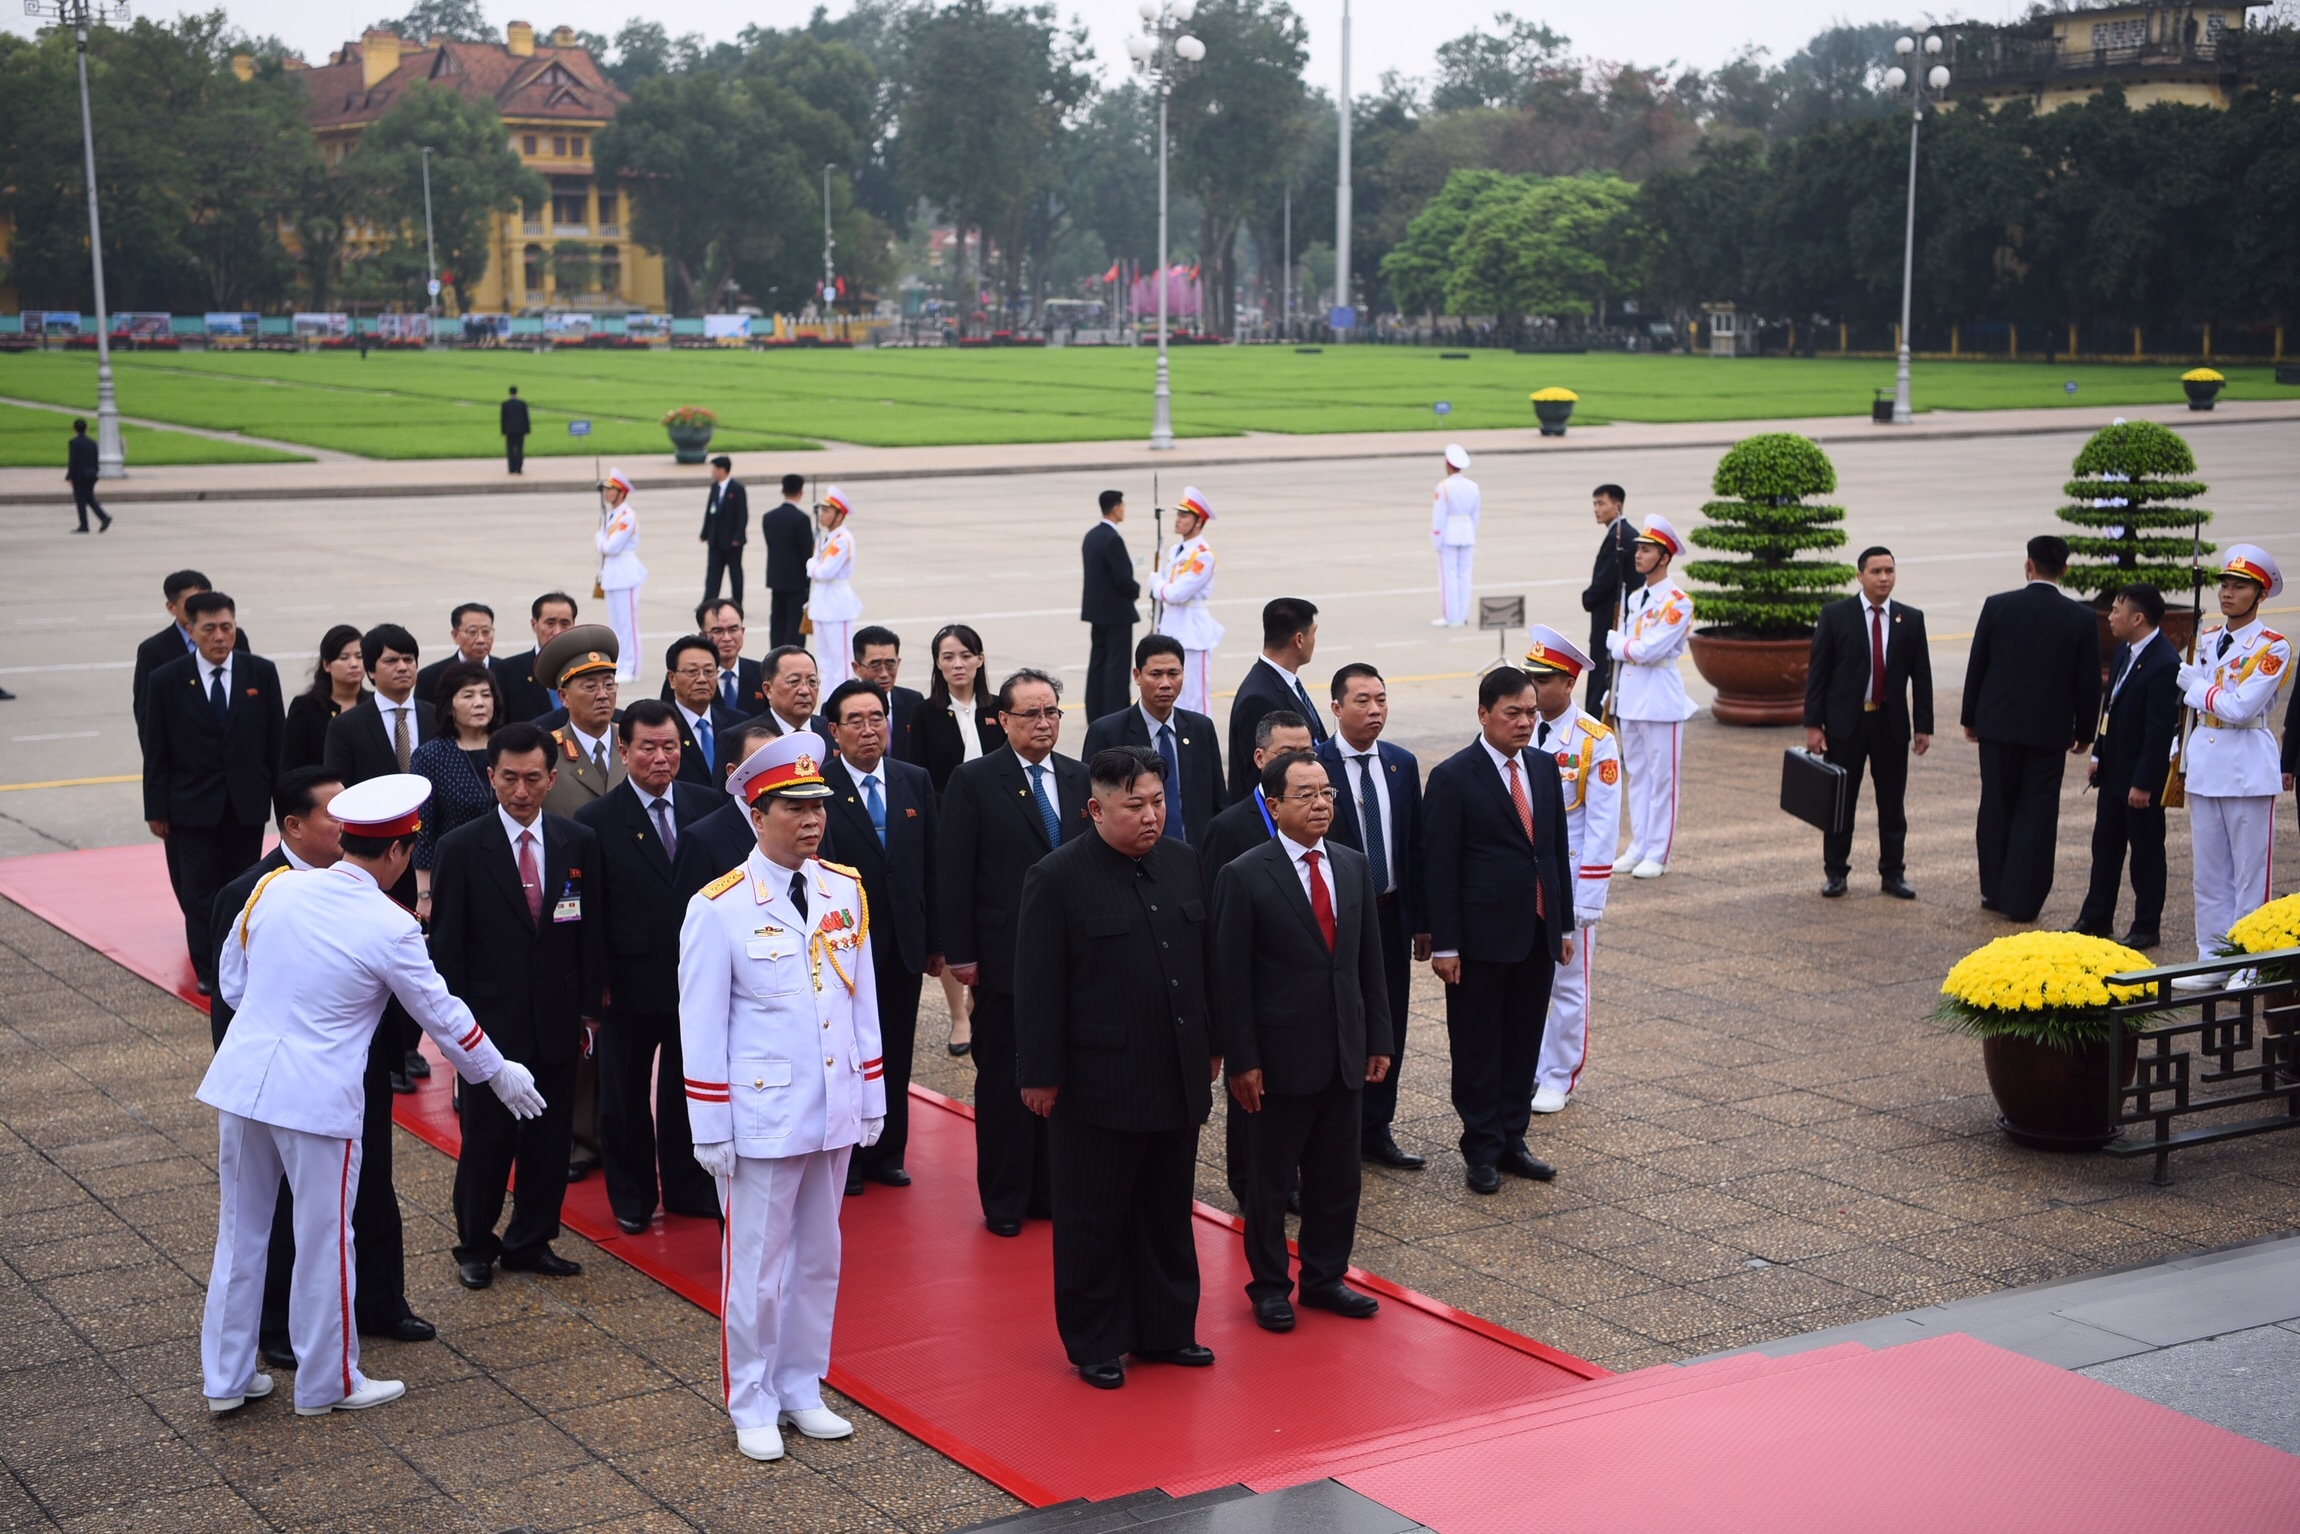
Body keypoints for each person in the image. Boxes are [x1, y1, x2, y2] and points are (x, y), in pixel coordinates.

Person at [199, 773, 542, 1418]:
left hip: (244, 1083)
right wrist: (498, 1072)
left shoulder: (275, 888)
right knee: (325, 1240)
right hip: (315, 1100)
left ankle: (226, 1379)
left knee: (240, 1234)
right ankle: (327, 1383)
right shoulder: (391, 924)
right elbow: (442, 1014)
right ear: (399, 852)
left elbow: (232, 981)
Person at [680, 732, 884, 1461]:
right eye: (795, 808)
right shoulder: (720, 907)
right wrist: (710, 1123)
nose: (812, 820)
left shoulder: (843, 889)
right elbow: (700, 1023)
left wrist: (871, 1092)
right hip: (761, 1115)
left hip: (831, 1104)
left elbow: (861, 1000)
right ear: (756, 814)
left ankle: (800, 1385)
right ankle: (752, 1398)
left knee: (819, 1260)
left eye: (817, 806)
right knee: (756, 1270)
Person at [209, 769, 431, 1365]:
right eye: (334, 814)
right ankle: (282, 1333)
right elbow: (231, 1002)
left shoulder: (372, 876)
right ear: (293, 825)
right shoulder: (253, 891)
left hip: (356, 1073)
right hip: (283, 1083)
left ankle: (381, 1303)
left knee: (372, 1190)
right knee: (285, 1217)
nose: (348, 824)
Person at [1015, 747, 1217, 1389]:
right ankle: (1095, 1339)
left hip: (1175, 1071)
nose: (1151, 816)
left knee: (1166, 1211)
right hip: (1097, 1083)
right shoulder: (1057, 877)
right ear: (1095, 809)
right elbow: (1038, 985)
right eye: (1134, 805)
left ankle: (1167, 1330)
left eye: (1157, 801)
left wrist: (1213, 1044)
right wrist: (1039, 1073)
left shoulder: (1183, 862)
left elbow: (1205, 962)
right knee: (1092, 1218)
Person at [1215, 750, 1391, 1335]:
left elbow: (1368, 964)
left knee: (1337, 1177)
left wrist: (1378, 1039)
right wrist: (1242, 1060)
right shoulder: (1244, 874)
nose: (1320, 804)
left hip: (1342, 1052)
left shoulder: (1352, 865)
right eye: (1306, 794)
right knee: (1269, 1184)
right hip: (1277, 1060)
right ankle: (1269, 1286)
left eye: (1326, 793)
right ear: (1273, 805)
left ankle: (1324, 1276)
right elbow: (1232, 980)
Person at [430, 722, 605, 1288]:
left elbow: (589, 933)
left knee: (549, 1142)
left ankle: (531, 1239)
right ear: (491, 776)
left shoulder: (577, 842)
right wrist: (456, 1033)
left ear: (552, 778)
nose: (521, 790)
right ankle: (475, 1244)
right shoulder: (461, 848)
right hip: (489, 1025)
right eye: (509, 778)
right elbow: (448, 950)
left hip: (556, 1018)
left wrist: (588, 1011)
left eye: (533, 778)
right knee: (487, 1142)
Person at [937, 669, 1090, 1236]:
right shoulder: (974, 780)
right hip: (1004, 958)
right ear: (1003, 720)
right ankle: (1005, 1199)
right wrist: (961, 953)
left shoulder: (1078, 777)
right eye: (1031, 714)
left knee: (1061, 1078)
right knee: (1005, 1080)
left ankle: (1051, 1191)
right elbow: (954, 871)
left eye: (1051, 712)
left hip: (1071, 958)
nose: (1044, 723)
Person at [573, 699, 727, 1232]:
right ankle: (633, 1197)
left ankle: (688, 1188)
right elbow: (590, 911)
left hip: (696, 979)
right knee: (624, 1096)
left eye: (670, 747)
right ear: (624, 750)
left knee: (689, 1090)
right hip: (628, 981)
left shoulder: (707, 804)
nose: (661, 758)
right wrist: (597, 983)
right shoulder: (595, 821)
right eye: (648, 748)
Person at [1424, 666, 1574, 1195]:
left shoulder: (1543, 767)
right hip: (1480, 939)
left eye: (1531, 712)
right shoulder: (1453, 776)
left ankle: (1513, 1139)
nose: (1526, 722)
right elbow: (1439, 866)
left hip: (1535, 930)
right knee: (1477, 1047)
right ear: (1484, 714)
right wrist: (1445, 943)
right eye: (1513, 713)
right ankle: (1482, 1147)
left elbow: (1553, 852)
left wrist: (1562, 924)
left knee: (1522, 1041)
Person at [819, 679, 940, 1194]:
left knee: (895, 1050)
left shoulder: (914, 779)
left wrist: (936, 941)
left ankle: (888, 1152)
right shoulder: (819, 786)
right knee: (846, 1054)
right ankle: (847, 1158)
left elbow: (931, 863)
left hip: (903, 944)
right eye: (856, 721)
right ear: (834, 731)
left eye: (877, 718)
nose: (869, 730)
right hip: (843, 949)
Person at [142, 590, 284, 996]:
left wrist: (284, 803)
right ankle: (208, 966)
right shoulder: (166, 680)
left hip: (245, 803)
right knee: (199, 890)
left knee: (244, 888)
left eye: (226, 627)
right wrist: (156, 807)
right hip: (190, 805)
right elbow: (156, 748)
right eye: (209, 629)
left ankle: (243, 959)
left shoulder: (261, 673)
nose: (219, 636)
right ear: (190, 631)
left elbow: (276, 742)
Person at [1317, 663, 1429, 1165]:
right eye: (1362, 700)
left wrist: (1422, 921)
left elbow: (1415, 847)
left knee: (1389, 1021)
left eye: (1381, 699)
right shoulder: (1316, 766)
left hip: (1390, 915)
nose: (1375, 710)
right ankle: (1337, 1128)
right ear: (1336, 708)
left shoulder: (1401, 764)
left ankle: (1378, 1127)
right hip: (1338, 920)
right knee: (1341, 1020)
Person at [1961, 535, 2101, 923]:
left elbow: (1978, 664)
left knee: (1996, 804)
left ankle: (1993, 888)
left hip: (1998, 725)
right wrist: (2085, 730)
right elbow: (2088, 681)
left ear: (2028, 565)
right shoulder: (2080, 617)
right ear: (2064, 570)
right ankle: (2022, 900)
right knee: (2037, 811)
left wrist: (1971, 717)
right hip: (2049, 730)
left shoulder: (1998, 605)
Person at [2173, 547, 2290, 986]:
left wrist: (2196, 687)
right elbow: (2193, 710)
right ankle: (2212, 960)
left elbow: (2241, 707)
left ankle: (2249, 962)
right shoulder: (2204, 638)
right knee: (2209, 875)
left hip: (2246, 767)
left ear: (2260, 594)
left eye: (2239, 587)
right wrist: (2179, 750)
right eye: (2224, 584)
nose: (2227, 593)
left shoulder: (2273, 646)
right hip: (2205, 764)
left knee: (2249, 876)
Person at [1519, 629, 1620, 1115]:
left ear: (1568, 683)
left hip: (1569, 877)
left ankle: (1559, 1074)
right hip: (1521, 877)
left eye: (1541, 681)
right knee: (1524, 978)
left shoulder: (1594, 741)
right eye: (1530, 679)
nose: (1532, 689)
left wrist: (1588, 899)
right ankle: (1531, 1066)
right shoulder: (1518, 727)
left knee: (1568, 982)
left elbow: (1602, 825)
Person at [1804, 547, 1934, 900]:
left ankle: (1893, 873)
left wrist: (1923, 726)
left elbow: (1922, 677)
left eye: (1889, 571)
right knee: (1840, 803)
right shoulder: (1836, 615)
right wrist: (1814, 724)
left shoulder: (1910, 619)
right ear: (1860, 576)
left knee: (1892, 804)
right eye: (1876, 571)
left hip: (1890, 725)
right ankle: (1835, 872)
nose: (1884, 578)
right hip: (1846, 725)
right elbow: (1818, 674)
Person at [2075, 583, 2180, 950]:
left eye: (2117, 610)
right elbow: (2111, 707)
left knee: (2146, 854)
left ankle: (2146, 926)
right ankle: (2096, 917)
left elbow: (2159, 731)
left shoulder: (2165, 663)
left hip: (2140, 779)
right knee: (2105, 847)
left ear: (2138, 618)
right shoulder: (2124, 650)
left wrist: (2145, 782)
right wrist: (2098, 754)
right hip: (2113, 771)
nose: (2110, 617)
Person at [1606, 515, 1697, 880]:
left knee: (1663, 781)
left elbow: (1649, 650)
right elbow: (1639, 649)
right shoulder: (1635, 597)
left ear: (1665, 557)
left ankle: (1659, 852)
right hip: (1631, 696)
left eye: (1646, 550)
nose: (1638, 555)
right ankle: (1638, 846)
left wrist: (1618, 645)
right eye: (1639, 549)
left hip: (1660, 699)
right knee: (1638, 776)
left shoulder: (1678, 602)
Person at [1082, 634, 1225, 848]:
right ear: (1137, 675)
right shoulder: (1107, 733)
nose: (1165, 684)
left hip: (1195, 855)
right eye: (1156, 674)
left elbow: (1218, 802)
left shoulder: (1200, 728)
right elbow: (1091, 807)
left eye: (1173, 674)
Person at [409, 661, 507, 925]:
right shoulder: (430, 756)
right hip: (456, 873)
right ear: (449, 706)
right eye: (468, 695)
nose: (479, 703)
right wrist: (424, 892)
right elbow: (422, 828)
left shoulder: (509, 747)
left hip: (511, 869)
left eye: (486, 695)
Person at [1227, 598, 1328, 799]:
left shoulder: (1282, 683)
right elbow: (1260, 778)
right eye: (1313, 633)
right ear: (1299, 639)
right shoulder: (1259, 698)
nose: (1314, 641)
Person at [133, 569, 249, 733]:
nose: (200, 608)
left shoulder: (235, 637)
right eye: (192, 602)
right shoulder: (153, 650)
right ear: (171, 607)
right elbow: (147, 714)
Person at [1204, 712, 1314, 882]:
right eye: (1286, 754)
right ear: (1259, 758)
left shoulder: (1326, 817)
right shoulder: (1227, 829)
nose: (1298, 763)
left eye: (1306, 754)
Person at [535, 624, 627, 818]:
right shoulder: (546, 755)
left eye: (609, 684)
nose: (603, 695)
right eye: (590, 687)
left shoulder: (633, 743)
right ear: (563, 697)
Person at [326, 623, 433, 786]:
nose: (402, 667)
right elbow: (339, 787)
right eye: (391, 661)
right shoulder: (345, 726)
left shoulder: (437, 716)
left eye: (408, 659)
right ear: (370, 670)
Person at [1152, 488, 1224, 716]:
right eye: (1178, 514)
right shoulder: (1176, 550)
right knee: (1177, 695)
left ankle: (1203, 736)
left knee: (1196, 696)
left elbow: (1176, 594)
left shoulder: (1203, 555)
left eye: (1184, 516)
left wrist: (1156, 584)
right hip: (1172, 626)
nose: (1178, 520)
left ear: (1198, 522)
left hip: (1192, 631)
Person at [907, 623, 999, 798]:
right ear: (938, 662)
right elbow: (918, 774)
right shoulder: (924, 713)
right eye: (948, 657)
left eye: (966, 656)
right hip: (945, 809)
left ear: (980, 659)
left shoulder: (999, 707)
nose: (958, 665)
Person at [1081, 489, 1140, 721]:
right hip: (1116, 613)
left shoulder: (1091, 536)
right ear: (1115, 508)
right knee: (1117, 666)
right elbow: (1122, 578)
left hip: (1096, 612)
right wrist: (1135, 590)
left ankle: (1095, 710)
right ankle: (1115, 712)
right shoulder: (1113, 539)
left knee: (1098, 662)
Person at [665, 634, 748, 789]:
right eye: (692, 671)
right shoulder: (662, 728)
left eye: (709, 671)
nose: (702, 679)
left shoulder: (739, 724)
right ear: (672, 678)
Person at [1580, 484, 1633, 716]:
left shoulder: (1619, 537)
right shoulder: (1621, 533)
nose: (1596, 509)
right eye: (1594, 503)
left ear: (1617, 505)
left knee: (1601, 680)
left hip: (1609, 621)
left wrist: (1587, 598)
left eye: (1601, 503)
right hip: (1613, 619)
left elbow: (1604, 582)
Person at [283, 625, 366, 774]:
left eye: (359, 657)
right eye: (344, 658)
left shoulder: (374, 703)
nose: (354, 664)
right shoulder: (305, 707)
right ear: (327, 665)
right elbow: (291, 769)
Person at [805, 486, 862, 691]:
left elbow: (825, 571)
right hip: (822, 602)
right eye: (822, 510)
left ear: (839, 515)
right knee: (824, 660)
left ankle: (843, 697)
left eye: (827, 511)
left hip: (836, 604)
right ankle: (828, 699)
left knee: (841, 659)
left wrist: (811, 564)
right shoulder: (828, 537)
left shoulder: (842, 540)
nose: (822, 514)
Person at [494, 592, 579, 723]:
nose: (557, 631)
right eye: (550, 623)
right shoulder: (508, 671)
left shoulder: (585, 668)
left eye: (564, 623)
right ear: (534, 624)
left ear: (573, 626)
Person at [597, 470, 648, 682]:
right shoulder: (610, 515)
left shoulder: (627, 515)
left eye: (611, 489)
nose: (606, 493)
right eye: (606, 489)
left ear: (621, 493)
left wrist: (600, 541)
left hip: (625, 572)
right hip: (612, 573)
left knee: (628, 624)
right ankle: (620, 663)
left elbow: (611, 546)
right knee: (616, 624)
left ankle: (632, 667)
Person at [853, 625, 923, 764]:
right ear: (856, 668)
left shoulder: (913, 702)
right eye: (875, 666)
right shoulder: (839, 708)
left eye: (890, 664)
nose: (884, 674)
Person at [762, 472, 814, 649]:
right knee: (794, 623)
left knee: (777, 619)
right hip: (796, 580)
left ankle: (775, 653)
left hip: (776, 578)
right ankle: (793, 654)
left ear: (782, 490)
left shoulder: (769, 517)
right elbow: (806, 553)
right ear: (801, 492)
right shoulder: (801, 519)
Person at [1430, 444, 1479, 628]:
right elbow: (1475, 515)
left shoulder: (1443, 487)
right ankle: (1462, 615)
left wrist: (1436, 539)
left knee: (1448, 576)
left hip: (1449, 534)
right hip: (1467, 533)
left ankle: (1450, 617)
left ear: (1448, 464)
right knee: (1465, 576)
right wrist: (1471, 533)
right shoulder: (1473, 486)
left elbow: (1439, 516)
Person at [693, 598, 767, 716]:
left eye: (733, 629)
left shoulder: (763, 674)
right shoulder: (687, 677)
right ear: (702, 636)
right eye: (718, 631)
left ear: (742, 631)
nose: (727, 638)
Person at [415, 603, 496, 709]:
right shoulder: (431, 677)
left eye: (486, 632)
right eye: (472, 632)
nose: (480, 640)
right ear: (455, 635)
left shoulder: (506, 672)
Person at [700, 455, 750, 606]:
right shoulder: (714, 487)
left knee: (735, 573)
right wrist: (705, 532)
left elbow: (742, 514)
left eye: (715, 468)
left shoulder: (737, 489)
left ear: (723, 470)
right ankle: (708, 602)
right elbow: (709, 511)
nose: (712, 471)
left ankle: (737, 603)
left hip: (732, 541)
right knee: (713, 573)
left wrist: (738, 536)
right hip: (715, 539)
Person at [66, 417, 111, 533]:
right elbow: (95, 459)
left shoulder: (73, 443)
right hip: (91, 474)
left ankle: (85, 525)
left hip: (79, 476)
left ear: (74, 429)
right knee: (89, 498)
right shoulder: (92, 443)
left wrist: (70, 476)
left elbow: (73, 461)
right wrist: (96, 472)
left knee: (81, 500)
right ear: (86, 428)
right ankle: (103, 518)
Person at [500, 386, 530, 474]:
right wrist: (527, 430)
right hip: (520, 430)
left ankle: (511, 468)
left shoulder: (505, 404)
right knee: (519, 450)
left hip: (509, 430)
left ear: (509, 393)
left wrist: (503, 430)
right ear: (517, 392)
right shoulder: (522, 403)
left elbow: (503, 419)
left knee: (510, 449)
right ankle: (519, 468)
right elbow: (526, 418)